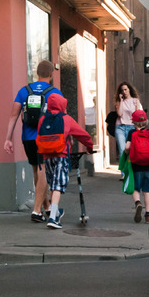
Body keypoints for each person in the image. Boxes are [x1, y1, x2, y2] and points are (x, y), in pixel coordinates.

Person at [4, 60, 63, 223]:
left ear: (37, 73)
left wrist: (8, 138)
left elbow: (13, 115)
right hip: (46, 138)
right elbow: (62, 117)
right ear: (51, 74)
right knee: (43, 171)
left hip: (28, 138)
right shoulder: (55, 92)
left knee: (36, 170)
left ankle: (46, 207)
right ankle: (36, 211)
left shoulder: (24, 91)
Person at [38, 93, 93, 229]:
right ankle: (52, 218)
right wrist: (90, 147)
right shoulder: (66, 119)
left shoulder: (42, 119)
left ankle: (54, 212)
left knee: (53, 184)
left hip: (46, 155)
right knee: (58, 185)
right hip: (61, 154)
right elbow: (83, 135)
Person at [126, 110, 149, 223]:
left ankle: (138, 203)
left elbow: (127, 147)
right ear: (146, 121)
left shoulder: (132, 133)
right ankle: (148, 215)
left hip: (135, 164)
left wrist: (127, 154)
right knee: (147, 191)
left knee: (135, 188)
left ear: (134, 122)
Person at [114, 82, 142, 161]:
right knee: (122, 150)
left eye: (125, 89)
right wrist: (121, 101)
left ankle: (130, 171)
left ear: (129, 89)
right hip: (120, 127)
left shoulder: (135, 100)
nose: (124, 92)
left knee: (131, 151)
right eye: (122, 90)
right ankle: (124, 173)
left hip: (131, 127)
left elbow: (137, 115)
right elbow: (120, 113)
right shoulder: (119, 101)